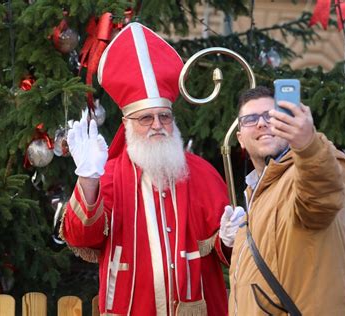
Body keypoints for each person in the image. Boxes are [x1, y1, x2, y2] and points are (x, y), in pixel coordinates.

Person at [60, 22, 239, 316]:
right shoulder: (109, 174)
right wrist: (88, 178)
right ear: (127, 125)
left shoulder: (202, 173)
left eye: (164, 117)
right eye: (146, 118)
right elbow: (82, 239)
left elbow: (228, 253)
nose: (157, 125)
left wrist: (230, 239)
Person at [227, 86, 345, 315]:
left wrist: (307, 145)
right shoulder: (256, 193)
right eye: (250, 119)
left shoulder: (304, 172)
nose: (261, 123)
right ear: (241, 139)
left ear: (286, 122)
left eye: (270, 115)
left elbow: (320, 197)